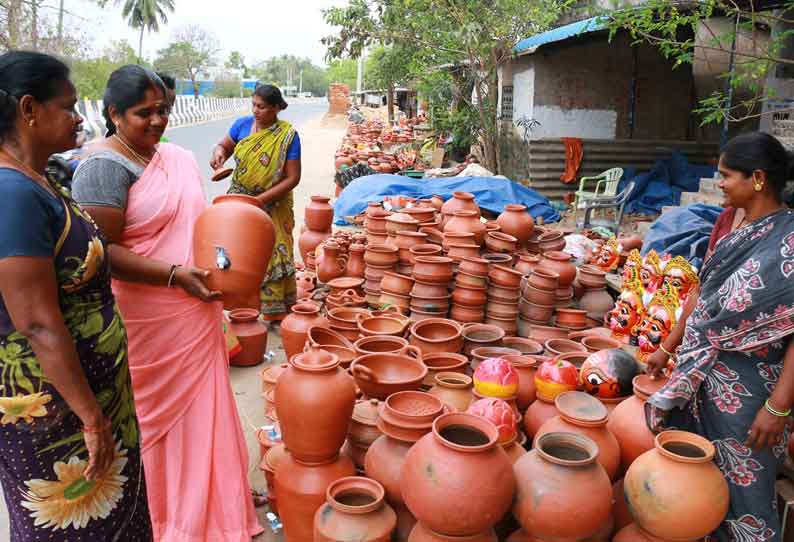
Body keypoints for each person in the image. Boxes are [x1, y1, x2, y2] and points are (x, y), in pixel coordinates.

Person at [71, 65, 262, 541]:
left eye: (163, 110)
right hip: (146, 320)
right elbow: (102, 253)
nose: (157, 121)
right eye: (144, 113)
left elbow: (199, 229)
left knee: (204, 411)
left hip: (194, 311)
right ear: (114, 114)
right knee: (154, 422)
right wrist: (175, 276)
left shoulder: (175, 157)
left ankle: (213, 510)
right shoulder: (102, 168)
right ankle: (165, 516)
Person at [0, 51, 151, 540]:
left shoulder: (40, 178)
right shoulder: (12, 195)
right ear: (29, 109)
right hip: (60, 412)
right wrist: (90, 417)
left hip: (94, 398)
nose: (79, 117)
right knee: (78, 524)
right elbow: (37, 322)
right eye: (67, 106)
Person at [646, 132, 794, 542]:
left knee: (747, 496)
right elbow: (701, 292)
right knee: (700, 487)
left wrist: (778, 407)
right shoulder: (730, 222)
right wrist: (667, 345)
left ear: (758, 178)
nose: (721, 183)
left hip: (751, 393)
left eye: (727, 175)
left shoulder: (790, 241)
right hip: (701, 377)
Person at [210, 84, 301, 320]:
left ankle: (274, 310)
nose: (255, 111)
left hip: (273, 202)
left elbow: (293, 178)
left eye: (261, 107)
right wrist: (218, 154)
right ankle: (242, 307)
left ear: (275, 109)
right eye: (253, 105)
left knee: (271, 250)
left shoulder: (288, 136)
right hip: (239, 199)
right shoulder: (241, 125)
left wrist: (259, 201)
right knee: (237, 250)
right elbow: (224, 146)